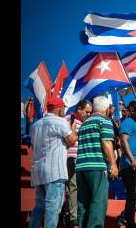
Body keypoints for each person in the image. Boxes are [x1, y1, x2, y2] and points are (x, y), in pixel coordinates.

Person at [28, 97, 77, 228]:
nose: (64, 110)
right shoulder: (60, 122)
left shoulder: (35, 125)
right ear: (59, 108)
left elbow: (34, 146)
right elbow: (72, 140)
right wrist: (73, 129)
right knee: (53, 208)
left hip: (38, 171)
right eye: (64, 108)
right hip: (55, 171)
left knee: (39, 207)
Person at [76, 96, 119, 228]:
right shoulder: (104, 121)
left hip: (81, 167)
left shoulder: (84, 123)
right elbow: (106, 142)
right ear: (106, 109)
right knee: (98, 203)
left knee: (83, 204)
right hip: (97, 167)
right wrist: (113, 164)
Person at [115, 102, 136, 227]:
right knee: (133, 195)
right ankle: (130, 223)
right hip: (131, 165)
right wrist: (132, 159)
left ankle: (125, 216)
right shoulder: (128, 122)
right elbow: (123, 141)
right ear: (132, 110)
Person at [61, 99, 92, 226]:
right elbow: (68, 139)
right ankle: (72, 216)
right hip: (70, 158)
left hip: (80, 159)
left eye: (90, 112)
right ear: (79, 108)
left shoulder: (83, 122)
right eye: (87, 112)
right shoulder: (70, 119)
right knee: (72, 186)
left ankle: (69, 213)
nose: (88, 115)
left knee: (77, 187)